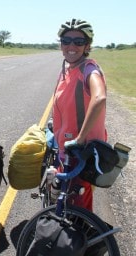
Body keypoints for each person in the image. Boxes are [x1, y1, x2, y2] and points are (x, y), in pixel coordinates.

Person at [52, 19, 107, 211]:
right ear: (61, 44)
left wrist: (80, 138)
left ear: (87, 46)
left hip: (81, 151)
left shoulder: (88, 69)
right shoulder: (68, 69)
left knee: (77, 209)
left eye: (78, 41)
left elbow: (99, 98)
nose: (71, 46)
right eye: (66, 40)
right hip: (67, 148)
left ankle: (83, 239)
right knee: (67, 199)